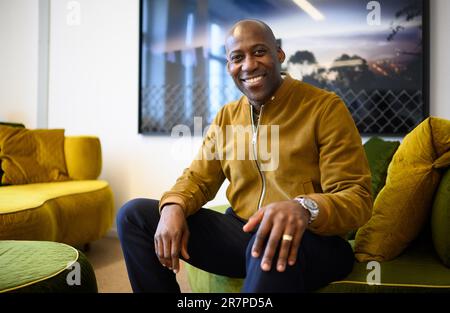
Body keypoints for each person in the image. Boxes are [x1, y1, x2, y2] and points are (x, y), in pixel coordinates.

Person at [117, 19, 372, 293]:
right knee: (134, 215)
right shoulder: (227, 117)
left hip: (313, 240)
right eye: (238, 58)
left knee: (271, 242)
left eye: (259, 52)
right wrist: (172, 206)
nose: (249, 65)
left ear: (279, 54)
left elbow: (356, 197)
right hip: (242, 234)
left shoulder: (325, 109)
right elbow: (198, 178)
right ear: (229, 67)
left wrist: (304, 207)